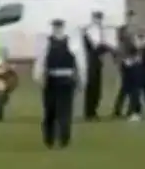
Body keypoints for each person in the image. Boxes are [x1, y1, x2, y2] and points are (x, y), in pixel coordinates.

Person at [32, 19, 86, 149]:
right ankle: (49, 138)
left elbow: (81, 62)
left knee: (65, 111)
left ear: (63, 27)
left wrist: (82, 80)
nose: (57, 29)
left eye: (59, 27)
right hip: (51, 79)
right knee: (50, 111)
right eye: (55, 27)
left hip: (66, 80)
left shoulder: (73, 43)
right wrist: (38, 77)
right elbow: (40, 61)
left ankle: (64, 138)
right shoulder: (46, 43)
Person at [82, 11, 109, 120]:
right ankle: (90, 111)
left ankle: (93, 110)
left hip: (97, 60)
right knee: (92, 86)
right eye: (98, 18)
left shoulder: (99, 29)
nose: (99, 20)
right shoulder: (90, 30)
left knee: (97, 86)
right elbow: (93, 47)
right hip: (91, 60)